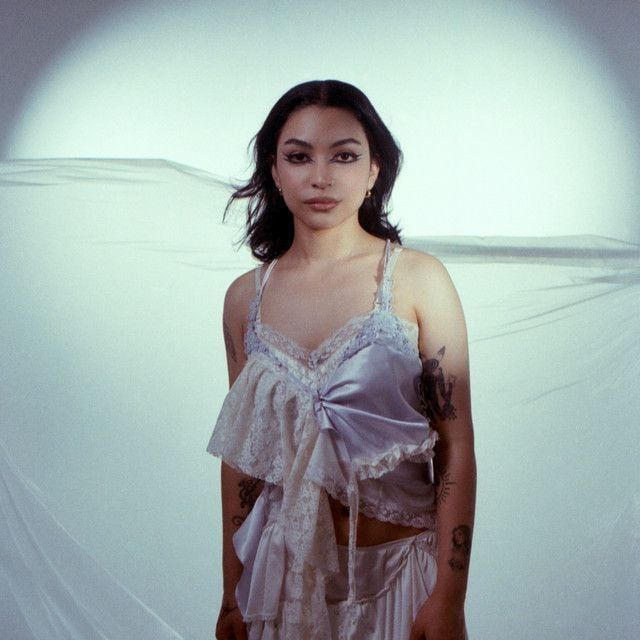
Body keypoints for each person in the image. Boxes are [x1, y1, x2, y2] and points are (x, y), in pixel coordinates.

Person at [207, 79, 476, 640]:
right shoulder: (244, 299)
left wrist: (449, 597)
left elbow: (455, 445)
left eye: (344, 156)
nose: (321, 176)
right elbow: (243, 460)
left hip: (403, 583)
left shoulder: (418, 280)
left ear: (375, 169)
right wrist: (232, 594)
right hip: (281, 590)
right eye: (299, 156)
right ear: (274, 170)